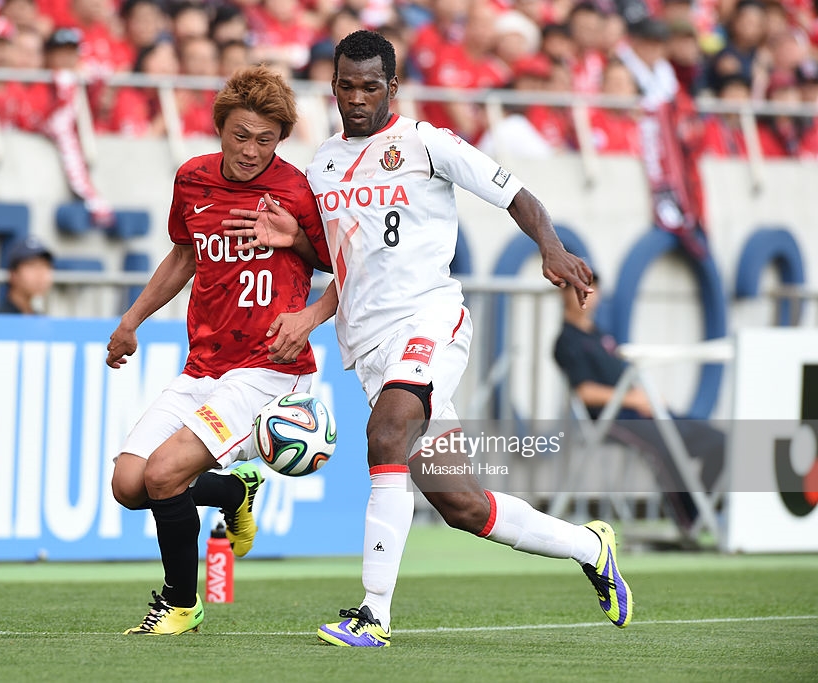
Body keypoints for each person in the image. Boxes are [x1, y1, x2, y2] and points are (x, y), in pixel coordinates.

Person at [226, 30, 632, 647]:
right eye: (346, 86)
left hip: (429, 322)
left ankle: (373, 613)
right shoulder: (322, 166)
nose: (357, 98)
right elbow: (343, 263)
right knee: (462, 505)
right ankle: (589, 546)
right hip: (367, 345)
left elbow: (514, 193)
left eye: (370, 86)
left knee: (385, 431)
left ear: (392, 87)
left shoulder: (426, 143)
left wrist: (550, 246)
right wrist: (299, 248)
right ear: (332, 87)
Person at [106, 65, 333, 636]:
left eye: (265, 140)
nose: (251, 151)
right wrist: (131, 321)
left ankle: (182, 603)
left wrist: (298, 246)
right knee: (129, 485)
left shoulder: (298, 189)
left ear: (280, 140)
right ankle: (234, 488)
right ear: (219, 128)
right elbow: (184, 256)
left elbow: (344, 264)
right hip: (203, 364)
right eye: (240, 135)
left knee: (163, 475)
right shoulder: (193, 180)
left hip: (267, 369)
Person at [553, 274, 725, 535]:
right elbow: (586, 392)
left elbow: (624, 379)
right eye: (577, 290)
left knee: (718, 441)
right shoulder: (566, 341)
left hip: (642, 412)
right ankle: (690, 520)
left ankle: (707, 512)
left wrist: (649, 398)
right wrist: (634, 399)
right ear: (563, 294)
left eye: (590, 289)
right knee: (666, 443)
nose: (587, 296)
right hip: (611, 420)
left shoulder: (601, 336)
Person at [0, 235, 54, 314]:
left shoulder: (38, 318)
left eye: (45, 266)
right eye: (32, 265)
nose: (40, 273)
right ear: (13, 274)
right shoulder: (0, 319)